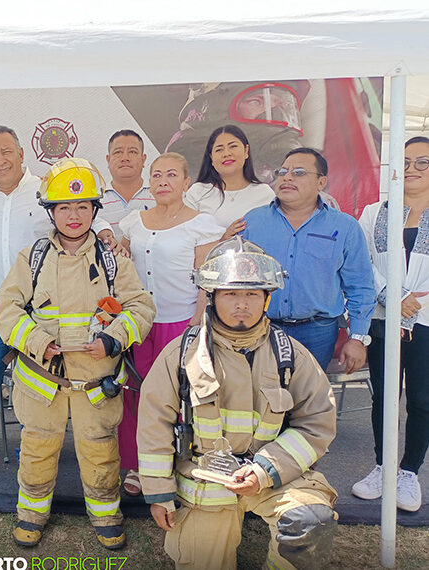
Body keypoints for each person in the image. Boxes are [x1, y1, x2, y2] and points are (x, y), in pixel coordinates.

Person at [138, 238, 338, 570]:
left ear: (267, 299)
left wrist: (264, 470)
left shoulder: (290, 357)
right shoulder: (180, 356)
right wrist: (159, 494)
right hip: (205, 481)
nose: (241, 304)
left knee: (309, 523)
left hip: (274, 476)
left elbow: (317, 422)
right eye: (231, 294)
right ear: (212, 298)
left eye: (251, 294)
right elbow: (153, 426)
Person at [0, 157, 155, 549]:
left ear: (95, 210)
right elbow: (7, 309)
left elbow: (141, 308)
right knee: (36, 449)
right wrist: (37, 342)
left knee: (100, 449)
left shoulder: (113, 260)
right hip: (41, 381)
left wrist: (113, 339)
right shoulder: (32, 258)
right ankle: (31, 515)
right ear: (50, 211)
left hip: (95, 382)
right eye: (64, 206)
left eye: (83, 206)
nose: (74, 215)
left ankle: (106, 516)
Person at [0, 125, 116, 487]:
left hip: (42, 310)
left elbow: (80, 212)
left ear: (21, 153)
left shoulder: (44, 189)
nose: (0, 160)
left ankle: (50, 456)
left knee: (52, 386)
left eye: (7, 151)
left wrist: (105, 231)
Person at [117, 153, 224, 496]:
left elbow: (206, 280)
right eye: (157, 175)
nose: (163, 181)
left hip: (179, 324)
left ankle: (175, 464)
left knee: (178, 397)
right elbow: (122, 266)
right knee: (136, 394)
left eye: (171, 175)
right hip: (140, 323)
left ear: (185, 182)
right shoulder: (133, 222)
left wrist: (196, 324)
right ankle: (136, 465)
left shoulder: (200, 223)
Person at [242, 147, 376, 371]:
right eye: (282, 171)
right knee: (261, 400)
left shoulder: (344, 227)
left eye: (299, 172)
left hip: (318, 333)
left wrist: (358, 338)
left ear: (321, 182)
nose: (287, 177)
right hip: (260, 329)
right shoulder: (253, 222)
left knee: (308, 401)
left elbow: (360, 286)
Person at [353, 136, 429, 512]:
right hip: (385, 318)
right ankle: (382, 467)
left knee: (422, 398)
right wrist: (393, 299)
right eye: (405, 162)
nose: (412, 169)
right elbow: (362, 263)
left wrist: (413, 303)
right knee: (384, 395)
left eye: (422, 162)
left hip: (427, 319)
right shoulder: (373, 212)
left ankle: (408, 472)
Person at [183, 125, 274, 239]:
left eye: (233, 146)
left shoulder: (264, 193)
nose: (226, 153)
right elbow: (185, 240)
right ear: (211, 157)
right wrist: (223, 240)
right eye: (219, 149)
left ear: (246, 151)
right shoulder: (197, 192)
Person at [99, 129, 156, 237]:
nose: (125, 158)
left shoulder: (159, 196)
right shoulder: (95, 200)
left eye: (132, 152)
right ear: (108, 159)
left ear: (143, 159)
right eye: (118, 152)